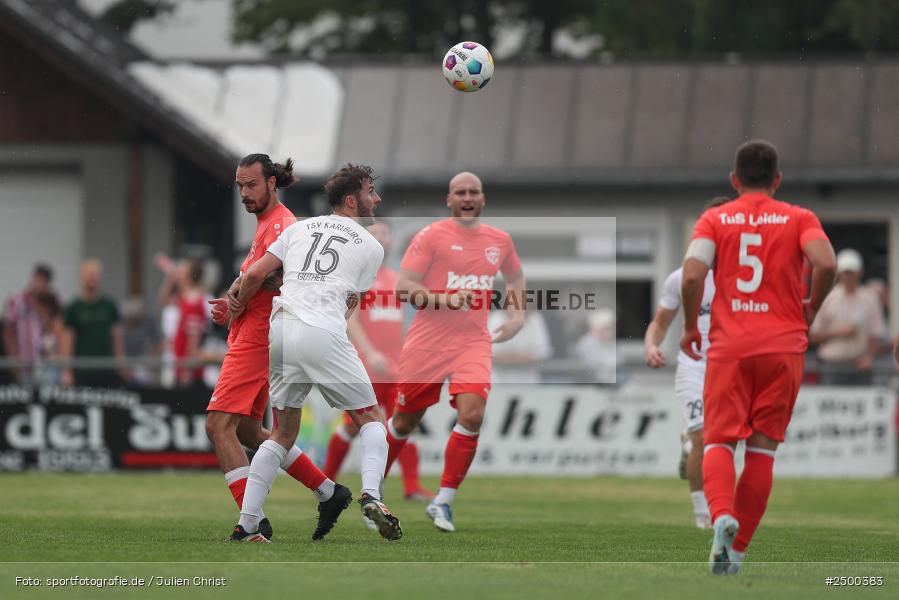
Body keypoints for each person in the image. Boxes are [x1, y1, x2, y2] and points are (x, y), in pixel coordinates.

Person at [680, 140, 836, 575]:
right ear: (777, 180)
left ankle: (721, 516)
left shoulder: (715, 219)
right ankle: (737, 552)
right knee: (762, 452)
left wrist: (691, 326)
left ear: (734, 180)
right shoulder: (799, 217)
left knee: (717, 441)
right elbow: (826, 263)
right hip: (783, 347)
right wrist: (811, 306)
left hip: (731, 348)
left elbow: (692, 275)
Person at [230, 163, 402, 542]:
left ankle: (247, 524)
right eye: (370, 192)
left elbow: (254, 275)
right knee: (371, 418)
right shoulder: (371, 246)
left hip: (281, 330)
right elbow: (350, 304)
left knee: (281, 433)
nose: (376, 199)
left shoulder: (298, 228)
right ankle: (372, 495)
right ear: (351, 200)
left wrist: (236, 306)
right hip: (322, 329)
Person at [205, 154, 340, 542]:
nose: (244, 193)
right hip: (256, 334)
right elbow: (253, 277)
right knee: (250, 431)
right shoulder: (267, 225)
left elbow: (279, 279)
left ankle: (252, 522)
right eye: (240, 186)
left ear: (271, 183)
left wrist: (236, 302)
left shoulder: (282, 224)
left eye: (251, 185)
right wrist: (232, 300)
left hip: (257, 338)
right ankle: (328, 491)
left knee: (218, 425)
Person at [386, 171, 525, 533]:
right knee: (404, 422)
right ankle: (373, 493)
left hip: (472, 341)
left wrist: (517, 316)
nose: (467, 198)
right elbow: (404, 288)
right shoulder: (431, 236)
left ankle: (443, 501)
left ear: (483, 199)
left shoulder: (500, 240)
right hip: (428, 341)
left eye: (473, 192)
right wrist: (444, 299)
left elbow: (515, 277)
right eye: (460, 192)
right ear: (449, 200)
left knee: (473, 415)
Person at [323, 220, 432, 502]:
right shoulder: (358, 277)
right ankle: (324, 482)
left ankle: (412, 487)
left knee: (401, 421)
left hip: (395, 367)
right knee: (353, 425)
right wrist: (370, 353)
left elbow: (399, 323)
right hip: (366, 366)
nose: (382, 237)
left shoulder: (396, 279)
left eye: (385, 233)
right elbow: (351, 319)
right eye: (375, 233)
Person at [643, 197, 731, 530]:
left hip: (731, 367)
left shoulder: (746, 277)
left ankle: (689, 450)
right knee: (703, 437)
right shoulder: (682, 277)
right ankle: (702, 516)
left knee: (723, 441)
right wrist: (651, 345)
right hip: (694, 366)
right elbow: (660, 322)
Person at [809, 249, 887, 385]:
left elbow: (876, 332)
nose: (849, 277)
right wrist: (839, 332)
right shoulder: (827, 298)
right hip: (832, 365)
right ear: (839, 273)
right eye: (846, 272)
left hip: (860, 366)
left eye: (852, 272)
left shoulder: (870, 298)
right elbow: (814, 336)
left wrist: (869, 357)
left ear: (860, 272)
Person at [61, 259, 126, 387]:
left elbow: (117, 337)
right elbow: (67, 340)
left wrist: (121, 365)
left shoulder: (109, 305)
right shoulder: (73, 307)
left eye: (95, 275)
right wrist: (67, 370)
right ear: (82, 277)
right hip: (82, 371)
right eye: (89, 274)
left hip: (107, 370)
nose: (92, 278)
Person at [2, 264, 54, 384]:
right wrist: (13, 360)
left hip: (40, 365)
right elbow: (7, 331)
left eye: (44, 282)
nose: (40, 285)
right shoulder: (17, 300)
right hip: (21, 364)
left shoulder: (47, 303)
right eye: (39, 279)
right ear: (33, 278)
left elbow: (49, 333)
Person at [488, 309, 552, 384]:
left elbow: (543, 352)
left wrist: (507, 357)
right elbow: (487, 352)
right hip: (498, 381)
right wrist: (521, 357)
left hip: (528, 381)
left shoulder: (535, 318)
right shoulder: (496, 317)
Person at [173, 259, 210, 387]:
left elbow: (194, 337)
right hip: (180, 364)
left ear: (189, 276)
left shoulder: (194, 302)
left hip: (189, 371)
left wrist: (187, 368)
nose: (178, 274)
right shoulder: (184, 297)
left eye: (182, 271)